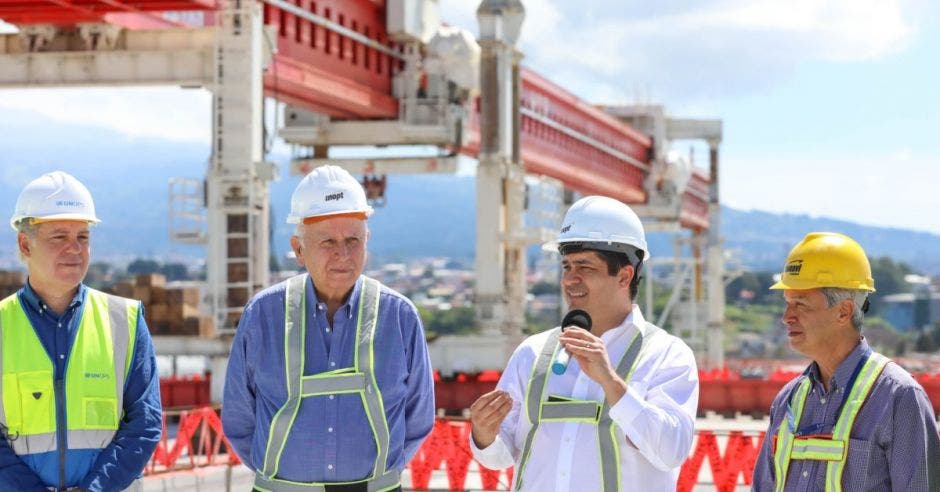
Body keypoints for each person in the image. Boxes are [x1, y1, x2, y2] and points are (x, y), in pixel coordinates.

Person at [222, 165, 435, 492]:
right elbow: (239, 419)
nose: (343, 254)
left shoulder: (399, 317)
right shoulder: (263, 315)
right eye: (328, 242)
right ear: (298, 249)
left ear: (368, 240)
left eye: (353, 240)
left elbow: (418, 418)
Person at [469, 195, 699, 491]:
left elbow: (671, 451)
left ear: (624, 275)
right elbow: (501, 456)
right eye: (566, 266)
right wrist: (484, 434)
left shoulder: (666, 355)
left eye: (585, 267)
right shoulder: (533, 352)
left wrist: (611, 383)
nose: (569, 279)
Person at [0, 171, 162, 491]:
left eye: (83, 237)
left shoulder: (125, 321)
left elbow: (145, 423)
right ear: (25, 244)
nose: (74, 248)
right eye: (59, 236)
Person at [753, 232, 940, 491]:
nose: (787, 317)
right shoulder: (788, 399)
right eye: (787, 303)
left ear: (844, 312)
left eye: (801, 304)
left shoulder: (899, 397)